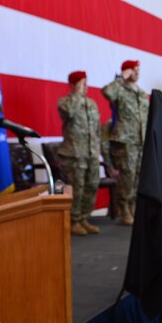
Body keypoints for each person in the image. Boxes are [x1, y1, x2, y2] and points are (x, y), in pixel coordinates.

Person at [102, 60, 149, 225]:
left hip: (140, 141)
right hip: (125, 142)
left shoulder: (142, 94)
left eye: (138, 70)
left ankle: (134, 206)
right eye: (133, 70)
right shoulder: (119, 91)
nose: (137, 73)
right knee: (127, 178)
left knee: (138, 177)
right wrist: (121, 77)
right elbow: (107, 92)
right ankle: (124, 210)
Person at [58, 70, 103, 236]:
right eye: (82, 82)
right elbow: (69, 113)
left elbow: (97, 128)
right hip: (74, 153)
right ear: (73, 84)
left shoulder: (91, 104)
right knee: (77, 188)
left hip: (91, 153)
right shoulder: (65, 102)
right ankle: (74, 220)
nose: (86, 86)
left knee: (92, 186)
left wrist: (99, 148)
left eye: (86, 82)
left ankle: (84, 217)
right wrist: (77, 93)